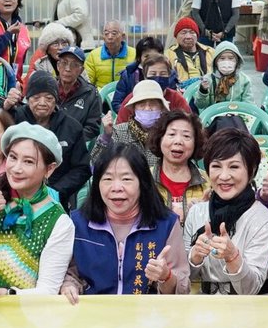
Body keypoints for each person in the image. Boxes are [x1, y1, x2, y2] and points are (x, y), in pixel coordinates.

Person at [0, 123, 76, 297]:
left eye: (28, 161)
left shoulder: (58, 221)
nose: (16, 168)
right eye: (12, 158)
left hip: (23, 312)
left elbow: (48, 290)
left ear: (49, 169)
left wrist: (4, 294)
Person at [63, 146, 188, 299]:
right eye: (108, 179)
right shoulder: (78, 223)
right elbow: (69, 273)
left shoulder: (166, 223)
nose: (116, 188)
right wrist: (69, 285)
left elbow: (182, 290)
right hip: (93, 312)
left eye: (126, 179)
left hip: (146, 312)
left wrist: (165, 276)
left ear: (142, 183)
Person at [183, 127, 268, 295]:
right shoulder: (197, 213)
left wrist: (232, 257)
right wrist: (195, 256)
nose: (224, 176)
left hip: (252, 307)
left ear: (251, 171)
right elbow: (184, 277)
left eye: (234, 166)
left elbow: (251, 288)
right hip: (205, 305)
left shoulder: (263, 220)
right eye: (216, 166)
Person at [7, 70, 90, 208]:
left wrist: (56, 192)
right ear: (27, 98)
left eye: (49, 98)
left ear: (56, 100)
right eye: (36, 97)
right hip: (14, 196)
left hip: (55, 199)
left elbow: (82, 169)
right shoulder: (13, 119)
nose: (42, 103)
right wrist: (5, 107)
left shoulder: (72, 127)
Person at [97, 79, 168, 171]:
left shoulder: (167, 134)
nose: (147, 108)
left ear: (161, 108)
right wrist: (106, 136)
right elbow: (96, 163)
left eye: (153, 104)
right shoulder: (119, 132)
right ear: (134, 109)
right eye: (142, 104)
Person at [149, 110, 206, 214]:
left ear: (196, 143)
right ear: (159, 139)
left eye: (186, 136)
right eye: (172, 134)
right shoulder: (144, 179)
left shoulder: (208, 182)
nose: (178, 141)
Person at [111, 53, 191, 122]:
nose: (158, 77)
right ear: (145, 76)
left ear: (169, 75)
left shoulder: (176, 99)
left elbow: (188, 123)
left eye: (163, 74)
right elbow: (121, 125)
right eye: (153, 74)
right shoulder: (133, 98)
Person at [51, 46, 103, 144]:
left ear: (81, 70)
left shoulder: (91, 93)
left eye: (74, 65)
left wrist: (70, 141)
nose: (68, 69)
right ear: (58, 66)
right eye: (64, 63)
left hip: (75, 145)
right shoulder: (49, 89)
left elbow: (92, 128)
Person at [110, 36, 167, 112]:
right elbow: (117, 103)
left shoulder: (168, 75)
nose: (151, 60)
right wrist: (134, 113)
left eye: (155, 56)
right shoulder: (128, 74)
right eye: (146, 56)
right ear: (139, 58)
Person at [189, 41, 250, 112]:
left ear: (237, 61)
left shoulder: (244, 80)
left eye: (231, 58)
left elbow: (248, 104)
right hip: (214, 115)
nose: (226, 62)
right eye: (222, 58)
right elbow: (200, 105)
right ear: (216, 61)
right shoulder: (208, 79)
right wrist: (203, 91)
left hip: (237, 115)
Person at [85, 20, 131, 90]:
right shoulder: (93, 55)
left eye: (114, 33)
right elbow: (87, 82)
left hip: (127, 95)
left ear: (123, 36)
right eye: (106, 34)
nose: (109, 37)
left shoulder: (134, 54)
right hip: (100, 95)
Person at [169, 17, 212, 83]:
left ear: (197, 35)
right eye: (183, 33)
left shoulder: (210, 52)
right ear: (176, 36)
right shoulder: (168, 55)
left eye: (192, 32)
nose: (188, 37)